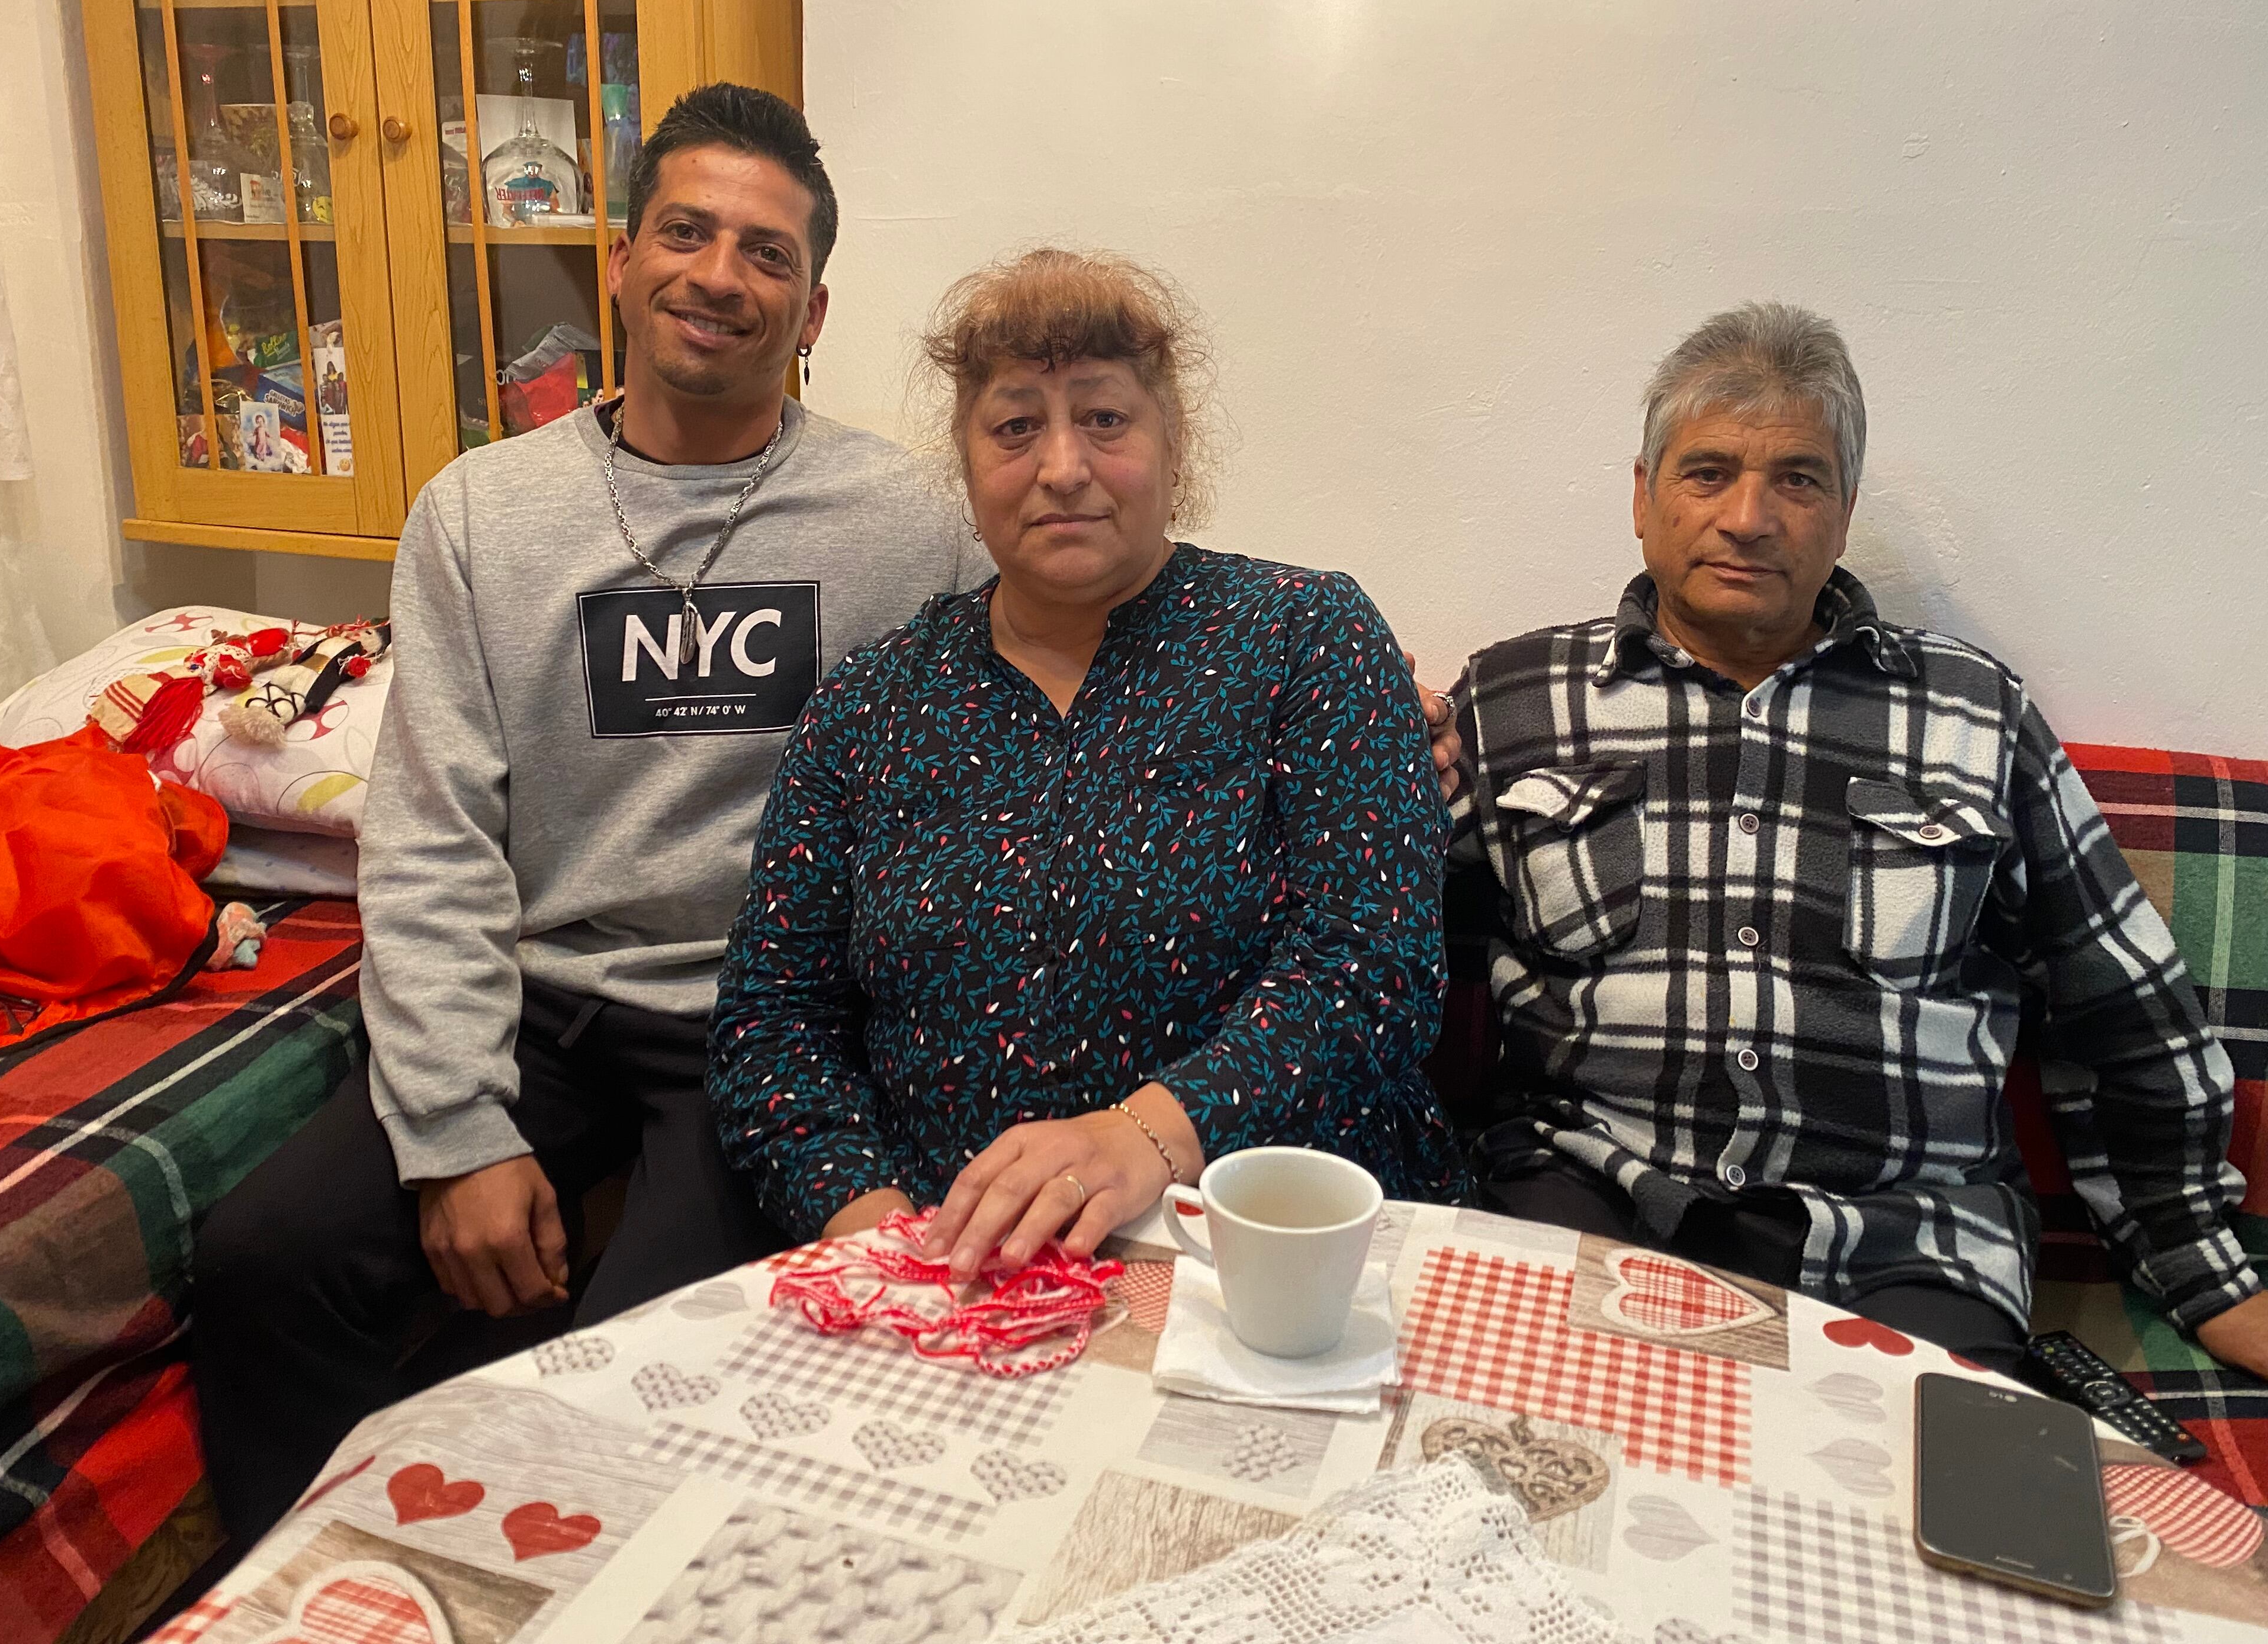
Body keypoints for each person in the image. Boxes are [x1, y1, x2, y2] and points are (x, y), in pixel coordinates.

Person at [189, 83, 990, 1547]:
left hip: (763, 1021)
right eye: (686, 232)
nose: (720, 276)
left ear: (812, 312)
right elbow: (430, 835)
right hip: (540, 1001)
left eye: (768, 255)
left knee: (646, 1372)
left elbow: (1072, 620)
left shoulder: (912, 521)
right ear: (618, 260)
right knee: (263, 1259)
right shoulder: (481, 515)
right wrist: (455, 1134)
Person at [1444, 301, 2268, 1374]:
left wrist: (2202, 1268)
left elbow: (2120, 1003)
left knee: (1947, 1531)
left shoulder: (1975, 717)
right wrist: (1367, 775)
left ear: (1843, 513)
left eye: (1798, 477)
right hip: (1590, 1201)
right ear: (1641, 501)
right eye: (1707, 473)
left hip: (1908, 1248)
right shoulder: (1514, 702)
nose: (1749, 516)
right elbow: (1377, 955)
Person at [709, 249, 1468, 1277]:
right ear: (967, 462)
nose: (1062, 467)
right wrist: (880, 1233)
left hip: (1275, 1258)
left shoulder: (1306, 639)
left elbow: (1374, 966)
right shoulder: (866, 704)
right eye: (1016, 426)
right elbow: (772, 1025)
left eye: (1105, 420)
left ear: (1172, 444)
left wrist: (1147, 1134)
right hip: (954, 1269)